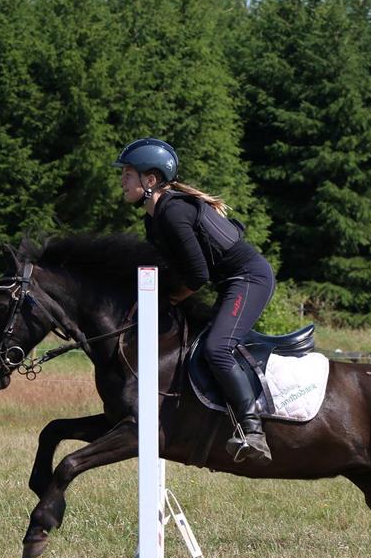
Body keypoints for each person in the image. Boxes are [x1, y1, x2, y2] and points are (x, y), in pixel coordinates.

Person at [114, 137, 275, 464]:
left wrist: (171, 298)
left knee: (217, 347)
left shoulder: (173, 213)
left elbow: (198, 276)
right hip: (230, 282)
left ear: (151, 180)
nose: (122, 181)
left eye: (128, 174)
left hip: (249, 279)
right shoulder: (154, 217)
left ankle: (253, 429)